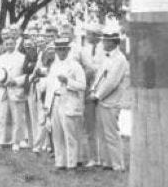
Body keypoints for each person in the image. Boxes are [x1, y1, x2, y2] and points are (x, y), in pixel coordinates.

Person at [44, 36, 86, 171]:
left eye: (64, 49)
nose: (61, 52)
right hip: (55, 100)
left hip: (68, 100)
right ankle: (60, 162)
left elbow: (82, 85)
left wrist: (68, 81)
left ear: (68, 50)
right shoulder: (54, 66)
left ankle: (72, 163)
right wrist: (47, 106)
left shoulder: (75, 66)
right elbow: (50, 86)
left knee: (70, 134)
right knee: (57, 134)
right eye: (59, 49)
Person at [89, 31, 129, 171]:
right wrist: (93, 90)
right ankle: (107, 162)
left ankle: (118, 164)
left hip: (111, 102)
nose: (103, 43)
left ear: (113, 42)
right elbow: (99, 76)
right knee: (102, 133)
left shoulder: (120, 59)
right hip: (101, 101)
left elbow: (112, 82)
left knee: (111, 134)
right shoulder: (107, 58)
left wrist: (97, 95)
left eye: (106, 40)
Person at [0, 33, 28, 151]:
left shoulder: (22, 57)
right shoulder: (0, 58)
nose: (9, 46)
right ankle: (0, 141)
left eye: (11, 44)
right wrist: (0, 82)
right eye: (7, 44)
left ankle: (16, 141)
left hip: (16, 89)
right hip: (3, 90)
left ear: (15, 44)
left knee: (17, 117)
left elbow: (26, 75)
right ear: (4, 45)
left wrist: (16, 81)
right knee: (1, 116)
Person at [80, 24, 105, 167]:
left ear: (96, 35)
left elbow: (103, 69)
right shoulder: (84, 50)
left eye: (90, 34)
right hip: (89, 90)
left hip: (102, 91)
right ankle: (93, 157)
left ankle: (103, 156)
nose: (88, 37)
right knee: (90, 126)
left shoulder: (104, 49)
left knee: (101, 126)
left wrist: (92, 70)